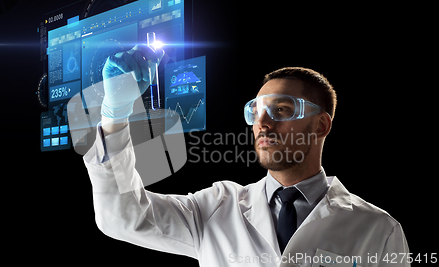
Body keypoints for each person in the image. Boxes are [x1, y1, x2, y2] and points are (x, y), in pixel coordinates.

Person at [83, 44, 409, 266]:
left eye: (282, 109)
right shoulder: (214, 208)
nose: (262, 123)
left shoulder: (377, 230)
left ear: (321, 125)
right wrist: (115, 113)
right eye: (256, 111)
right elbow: (124, 219)